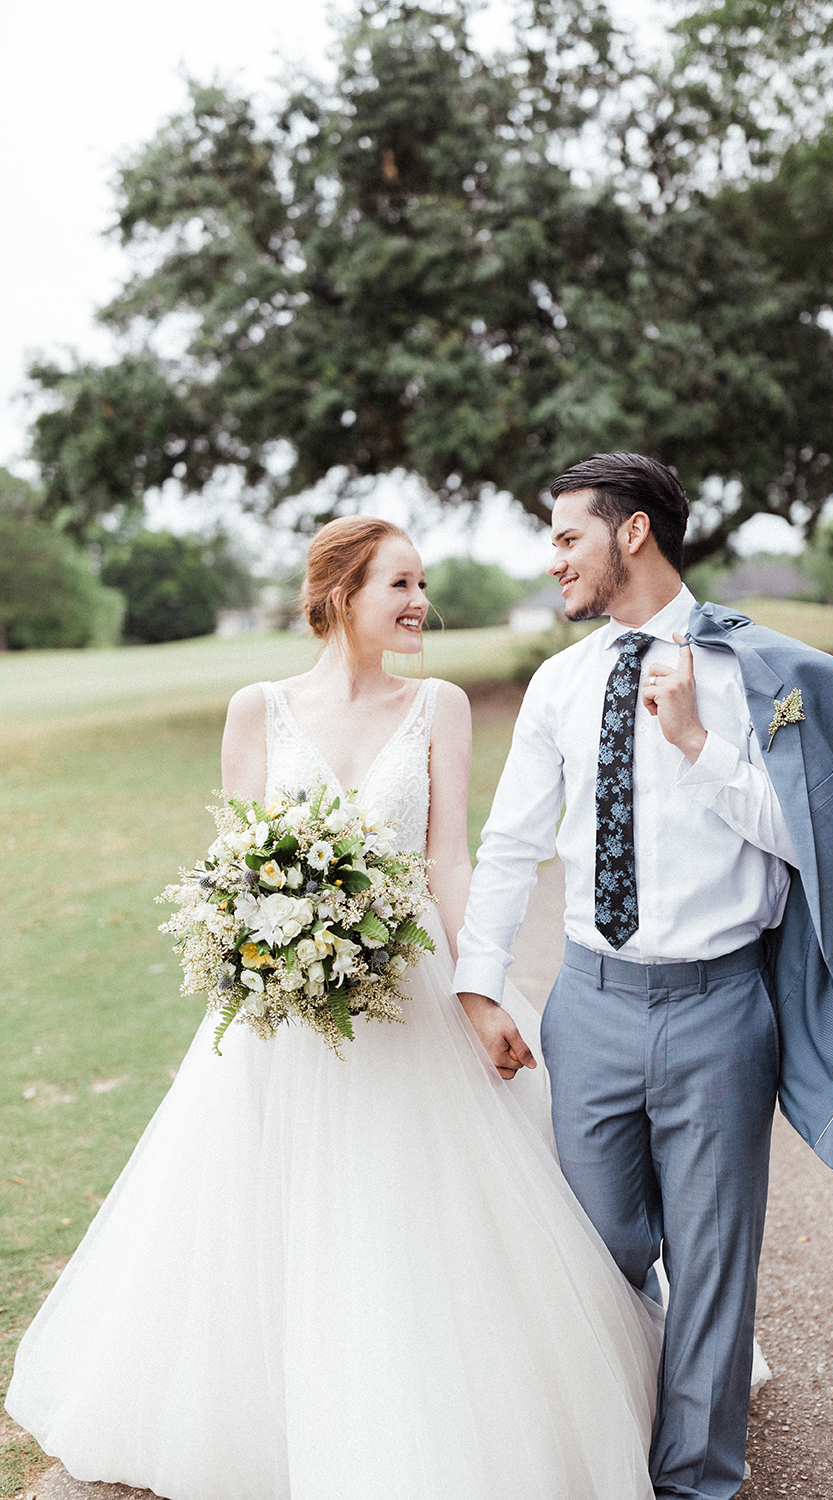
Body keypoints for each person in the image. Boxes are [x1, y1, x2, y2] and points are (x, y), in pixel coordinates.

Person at [5, 516, 664, 1500]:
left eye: (422, 584)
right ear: (338, 592)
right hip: (286, 1014)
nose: (418, 604)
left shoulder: (437, 705)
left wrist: (478, 991)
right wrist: (259, 955)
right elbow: (235, 865)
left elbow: (446, 859)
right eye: (398, 583)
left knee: (431, 1212)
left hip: (414, 1001)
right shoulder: (255, 709)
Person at [455, 453, 833, 1500]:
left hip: (719, 1011)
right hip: (589, 1010)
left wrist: (696, 743)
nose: (552, 560)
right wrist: (479, 983)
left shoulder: (766, 676)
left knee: (713, 1265)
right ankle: (621, 1422)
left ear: (633, 532)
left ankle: (696, 1479)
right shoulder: (560, 684)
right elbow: (512, 843)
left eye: (567, 537)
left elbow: (814, 845)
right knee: (597, 1245)